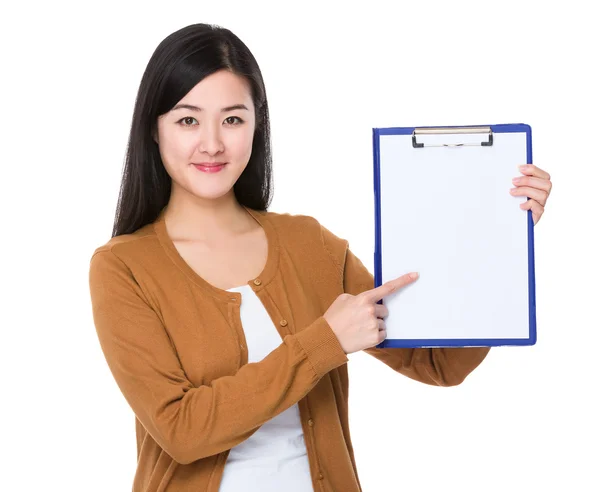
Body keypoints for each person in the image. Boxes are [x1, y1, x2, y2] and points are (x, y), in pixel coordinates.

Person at [88, 23, 553, 492]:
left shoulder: (309, 245)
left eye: (232, 119)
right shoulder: (123, 268)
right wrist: (324, 341)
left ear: (256, 124)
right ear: (154, 126)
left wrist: (497, 241)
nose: (212, 143)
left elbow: (436, 362)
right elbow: (182, 431)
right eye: (188, 120)